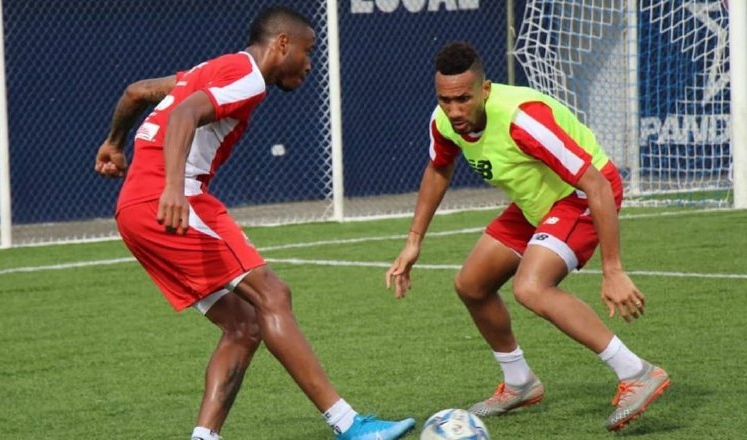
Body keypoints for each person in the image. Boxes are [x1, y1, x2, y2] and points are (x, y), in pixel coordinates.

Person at [94, 6, 415, 440]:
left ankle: (204, 437)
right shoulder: (246, 76)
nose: (309, 62)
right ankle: (349, 425)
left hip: (133, 210)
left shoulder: (211, 68)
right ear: (282, 43)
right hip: (168, 198)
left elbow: (136, 92)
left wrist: (114, 143)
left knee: (243, 325)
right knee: (273, 294)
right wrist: (172, 186)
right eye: (308, 50)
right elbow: (185, 114)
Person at [386, 42, 670, 432]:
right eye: (446, 100)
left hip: (581, 196)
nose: (455, 111)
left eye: (463, 100)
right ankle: (521, 383)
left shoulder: (524, 120)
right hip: (536, 201)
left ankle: (636, 372)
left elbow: (597, 184)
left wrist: (613, 268)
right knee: (471, 285)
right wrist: (414, 239)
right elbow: (438, 169)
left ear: (485, 90)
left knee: (531, 287)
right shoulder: (443, 121)